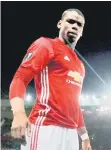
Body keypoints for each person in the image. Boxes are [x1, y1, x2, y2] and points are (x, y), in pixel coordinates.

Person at [9, 8, 92, 150]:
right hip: (45, 128)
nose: (74, 26)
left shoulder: (80, 65)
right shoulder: (46, 45)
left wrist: (84, 137)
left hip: (71, 134)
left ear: (82, 31)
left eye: (79, 24)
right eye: (70, 21)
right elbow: (20, 78)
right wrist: (18, 113)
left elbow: (74, 104)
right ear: (60, 24)